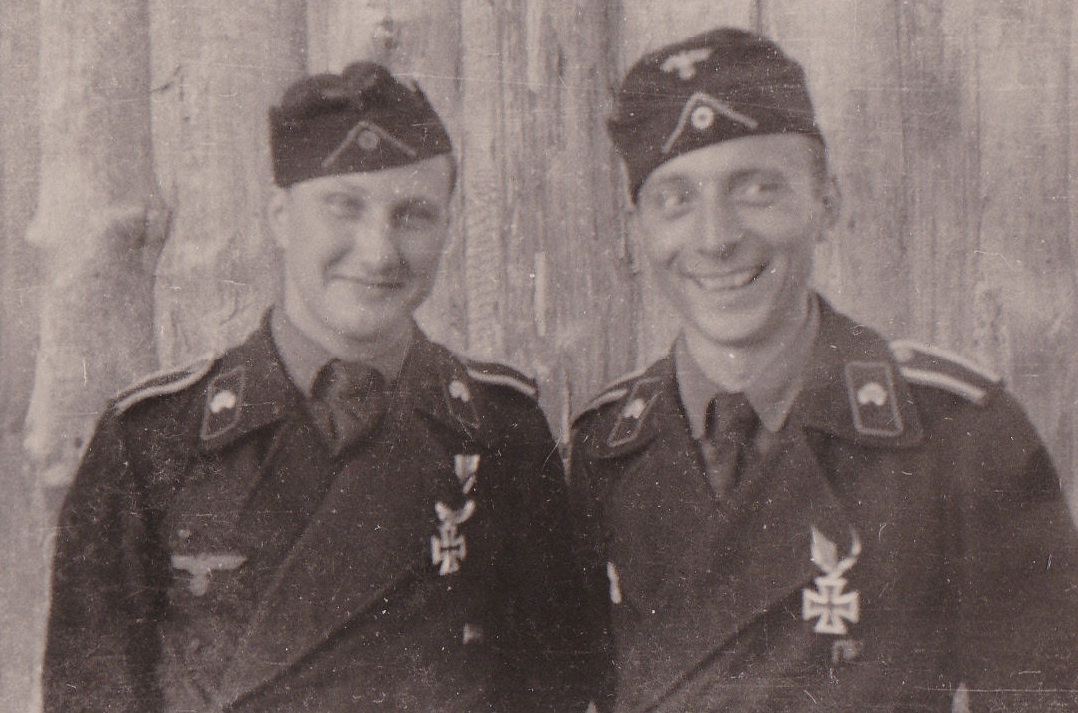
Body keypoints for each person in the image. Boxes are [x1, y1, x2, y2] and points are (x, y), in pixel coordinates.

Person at [44, 62, 594, 712]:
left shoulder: (504, 430)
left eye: (413, 214)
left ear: (448, 228)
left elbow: (556, 690)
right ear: (281, 217)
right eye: (344, 207)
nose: (379, 252)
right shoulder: (152, 439)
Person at [570, 27, 1078, 712]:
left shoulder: (953, 431)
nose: (715, 238)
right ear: (637, 232)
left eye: (756, 188)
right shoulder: (602, 452)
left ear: (827, 203)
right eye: (676, 200)